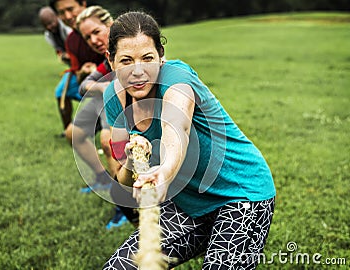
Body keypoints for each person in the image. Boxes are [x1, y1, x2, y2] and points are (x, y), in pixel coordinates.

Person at [103, 11, 276, 269]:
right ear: (111, 60)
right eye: (126, 61)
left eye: (147, 58)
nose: (138, 71)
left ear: (161, 57)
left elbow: (177, 128)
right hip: (188, 205)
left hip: (242, 196)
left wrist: (165, 172)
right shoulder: (113, 100)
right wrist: (130, 161)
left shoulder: (177, 78)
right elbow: (122, 178)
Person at [73, 6, 132, 229]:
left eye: (97, 32)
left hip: (133, 105)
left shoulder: (129, 47)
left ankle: (125, 205)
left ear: (110, 24)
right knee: (74, 133)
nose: (93, 40)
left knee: (109, 143)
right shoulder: (107, 59)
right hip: (107, 100)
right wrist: (103, 87)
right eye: (87, 37)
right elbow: (83, 86)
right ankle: (103, 179)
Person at [49, 0, 104, 138]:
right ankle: (68, 128)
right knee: (61, 91)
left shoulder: (106, 27)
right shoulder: (71, 41)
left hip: (119, 84)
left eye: (71, 9)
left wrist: (100, 70)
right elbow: (78, 74)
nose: (67, 16)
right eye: (61, 13)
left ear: (83, 4)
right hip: (93, 82)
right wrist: (84, 72)